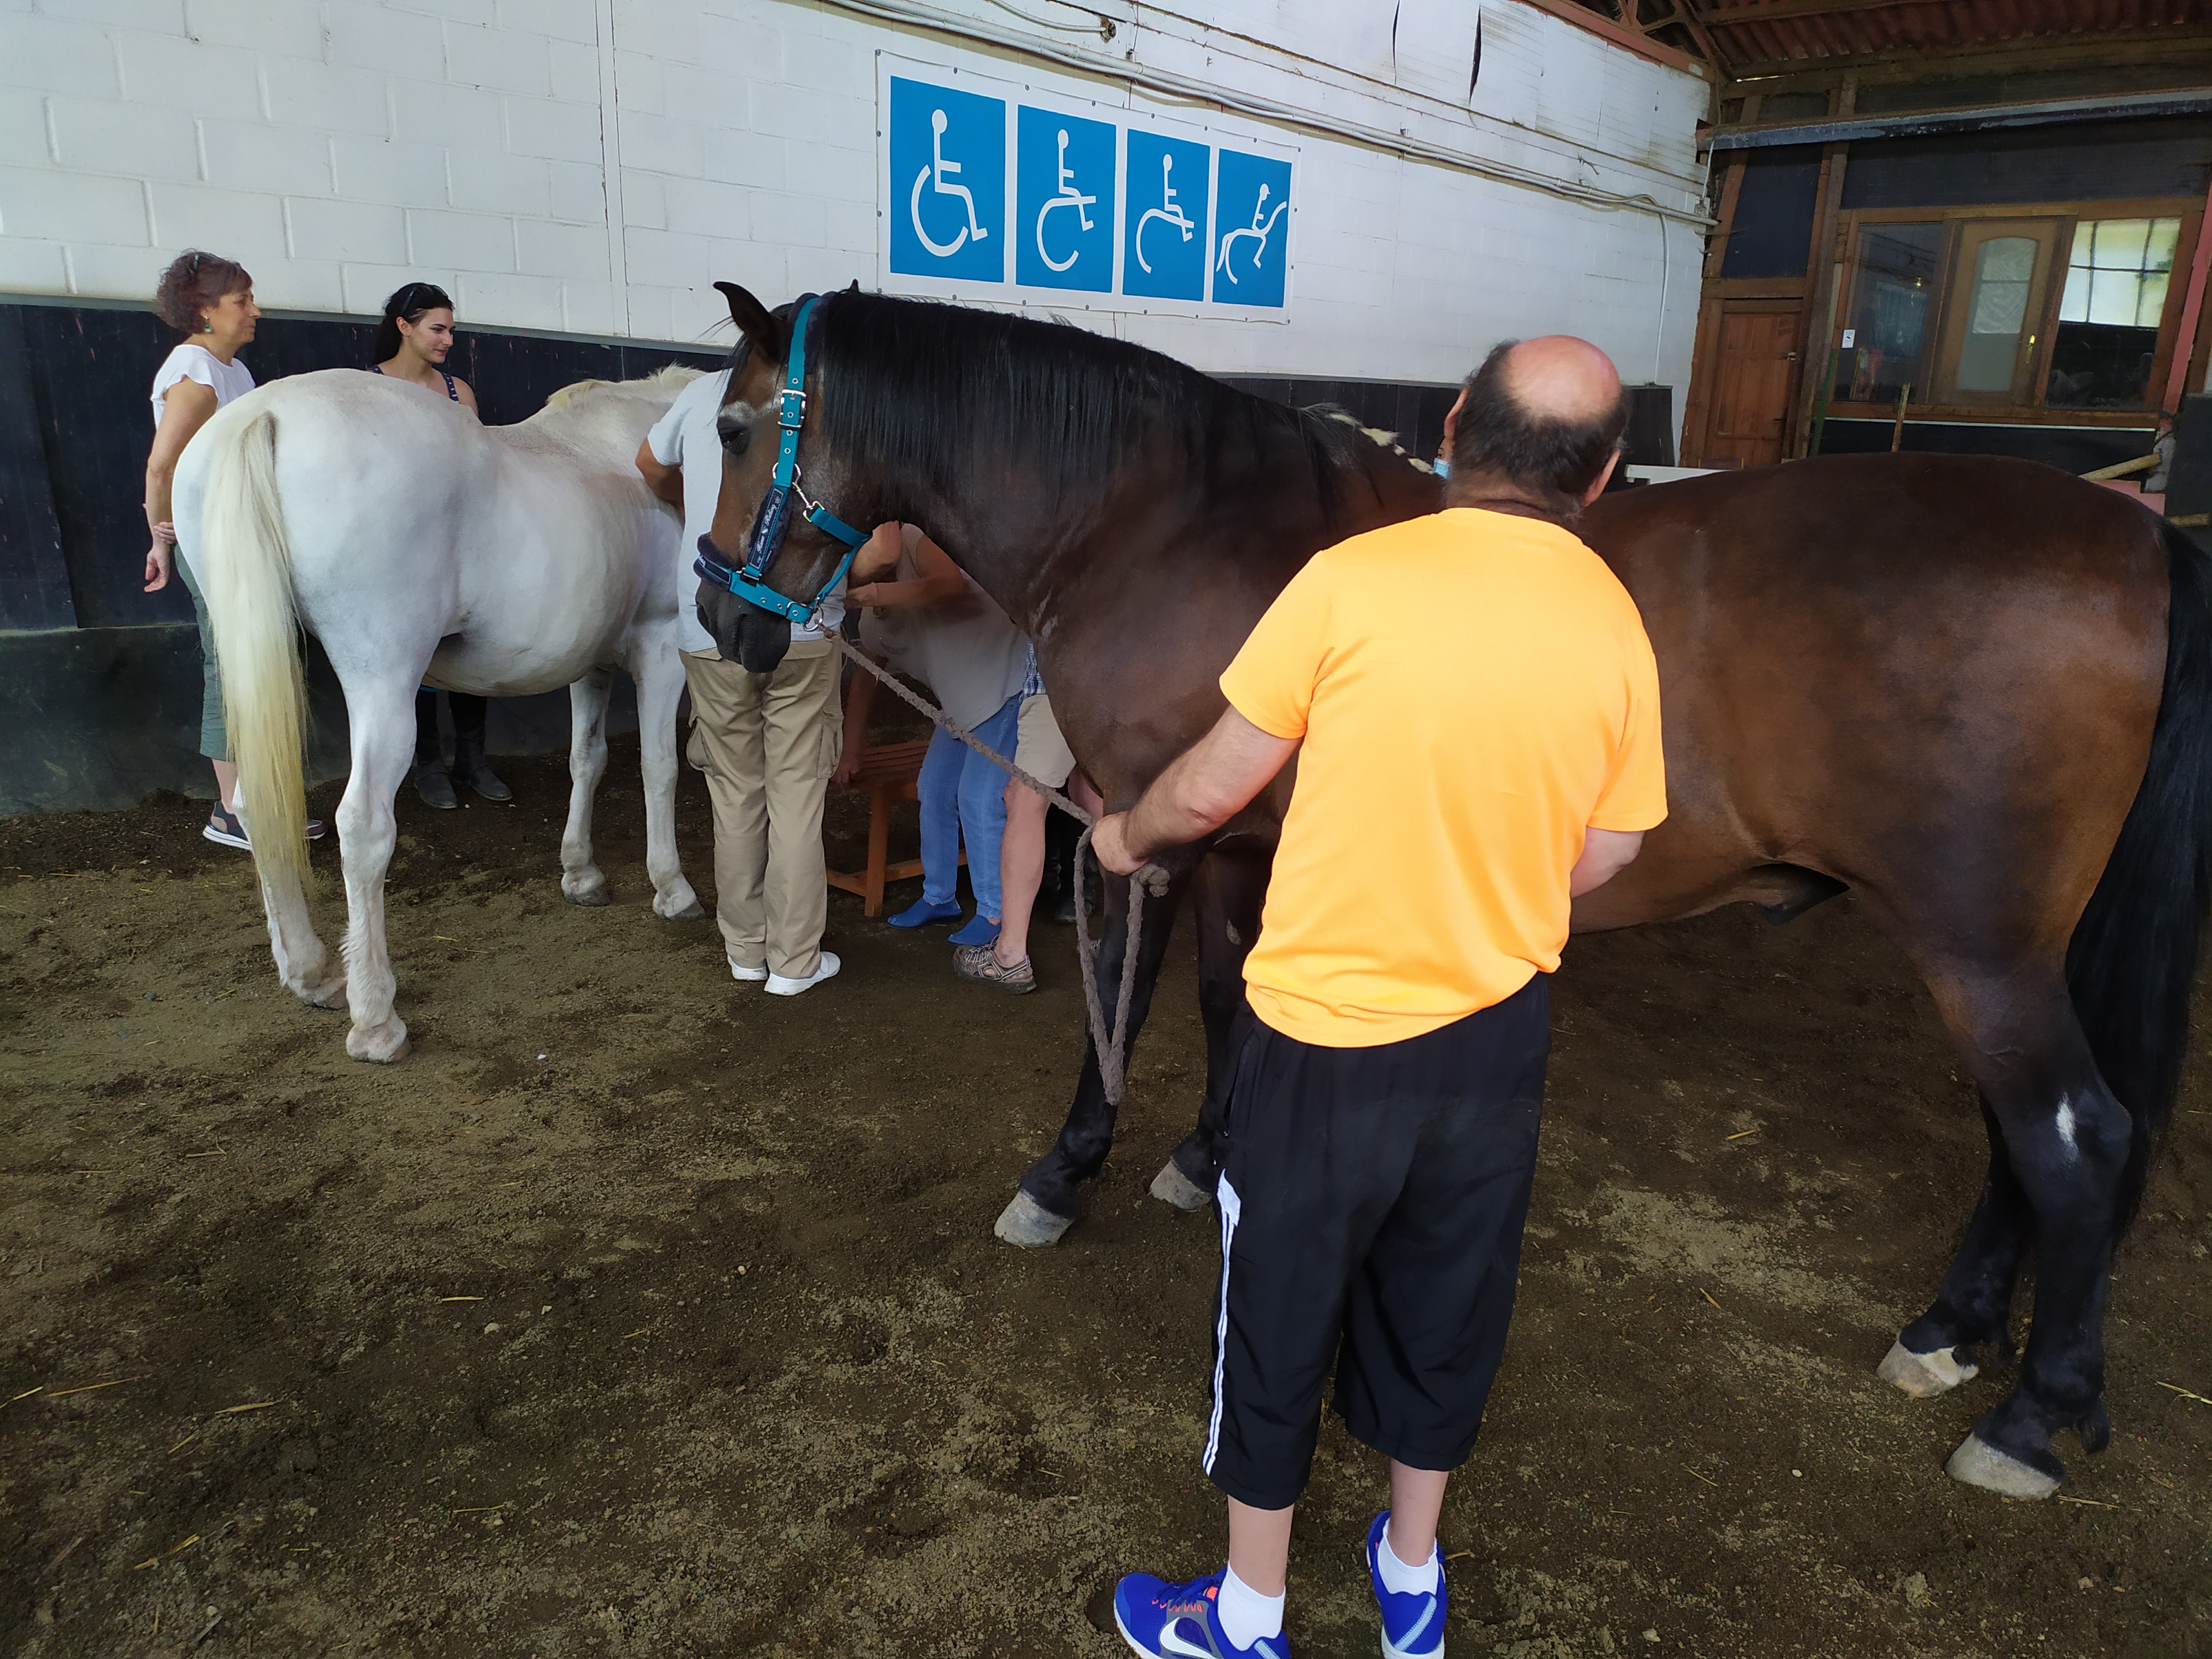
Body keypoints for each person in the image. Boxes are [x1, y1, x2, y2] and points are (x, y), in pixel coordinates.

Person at [1098, 337, 1668, 1659]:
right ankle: (1410, 1575)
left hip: (1322, 1044)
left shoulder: (1350, 579)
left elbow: (1208, 790)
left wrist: (1124, 838)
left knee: (1280, 1304)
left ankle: (1244, 1615)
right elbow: (1615, 848)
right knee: (1448, 1289)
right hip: (1495, 1040)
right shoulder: (1612, 618)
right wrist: (1494, 887)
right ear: (1603, 475)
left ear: (1458, 424)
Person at [637, 368, 844, 997]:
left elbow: (649, 463)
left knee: (734, 795)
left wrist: (696, 507)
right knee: (796, 799)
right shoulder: (833, 398)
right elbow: (883, 550)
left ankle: (746, 951)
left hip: (710, 624)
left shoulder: (705, 391)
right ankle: (794, 961)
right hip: (804, 630)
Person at [143, 249, 326, 850]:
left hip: (240, 537)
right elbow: (162, 463)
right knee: (229, 663)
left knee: (260, 656)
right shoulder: (195, 372)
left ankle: (257, 800)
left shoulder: (234, 373)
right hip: (212, 542)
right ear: (205, 311)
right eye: (242, 301)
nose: (256, 311)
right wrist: (162, 536)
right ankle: (231, 812)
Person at [839, 525, 1029, 952]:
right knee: (936, 789)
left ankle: (994, 911)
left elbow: (950, 586)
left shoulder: (913, 539)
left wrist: (875, 595)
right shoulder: (868, 610)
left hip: (1004, 680)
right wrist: (851, 749)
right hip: (958, 698)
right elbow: (866, 679)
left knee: (979, 797)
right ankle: (939, 897)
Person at [368, 281, 509, 810]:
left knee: (469, 647)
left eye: (451, 329)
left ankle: (473, 761)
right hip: (401, 548)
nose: (448, 339)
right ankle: (429, 767)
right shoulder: (371, 388)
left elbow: (482, 472)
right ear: (405, 327)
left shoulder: (458, 393)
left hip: (461, 543)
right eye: (438, 329)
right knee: (421, 656)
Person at [952, 645, 1100, 993]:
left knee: (1024, 799)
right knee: (1091, 795)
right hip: (1117, 679)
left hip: (1061, 679)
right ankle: (1126, 942)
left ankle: (1009, 957)